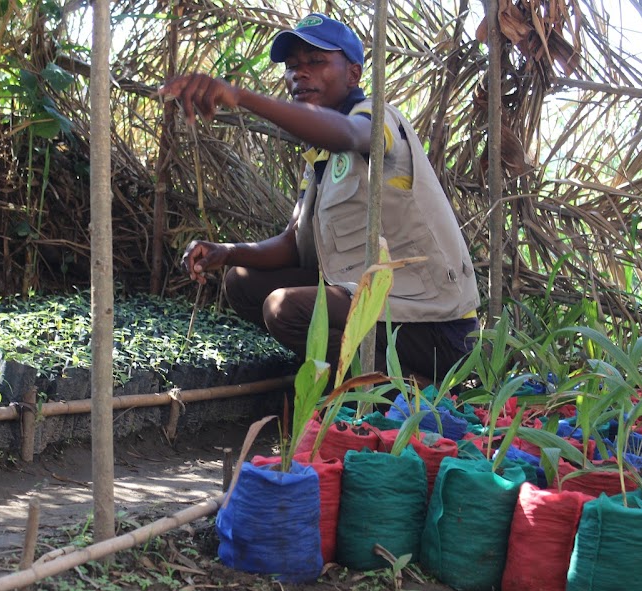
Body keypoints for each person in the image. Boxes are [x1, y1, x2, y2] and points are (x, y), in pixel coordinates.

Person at [159, 13, 480, 386]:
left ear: (354, 74)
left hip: (435, 327)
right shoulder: (320, 160)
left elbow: (348, 133)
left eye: (316, 62)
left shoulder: (378, 119)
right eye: (293, 66)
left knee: (285, 309)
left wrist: (240, 97)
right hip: (376, 306)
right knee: (240, 282)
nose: (300, 74)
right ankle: (357, 372)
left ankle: (405, 388)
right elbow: (294, 246)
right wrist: (226, 251)